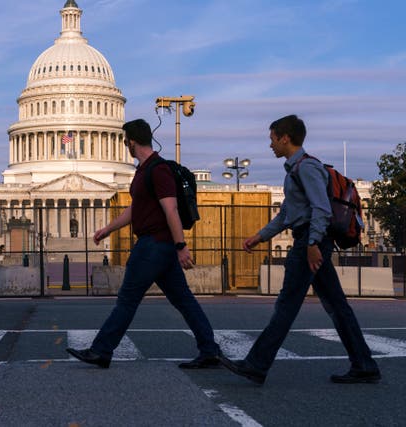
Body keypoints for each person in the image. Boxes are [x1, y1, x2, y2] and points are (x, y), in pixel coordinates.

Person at [219, 114, 380, 384]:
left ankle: (257, 364)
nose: (270, 145)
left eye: (272, 139)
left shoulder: (305, 168)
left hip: (310, 241)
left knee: (288, 303)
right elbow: (286, 215)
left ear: (285, 138)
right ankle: (364, 364)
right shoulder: (295, 170)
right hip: (310, 239)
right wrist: (259, 237)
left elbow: (321, 208)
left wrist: (313, 243)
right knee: (337, 305)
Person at [66, 118, 220, 369]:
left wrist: (181, 246)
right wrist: (107, 229)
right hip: (160, 246)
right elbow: (135, 209)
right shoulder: (144, 171)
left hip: (153, 246)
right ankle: (209, 349)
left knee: (127, 299)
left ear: (132, 141)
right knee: (183, 300)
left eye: (126, 140)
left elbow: (171, 210)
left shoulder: (157, 170)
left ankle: (101, 350)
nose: (125, 144)